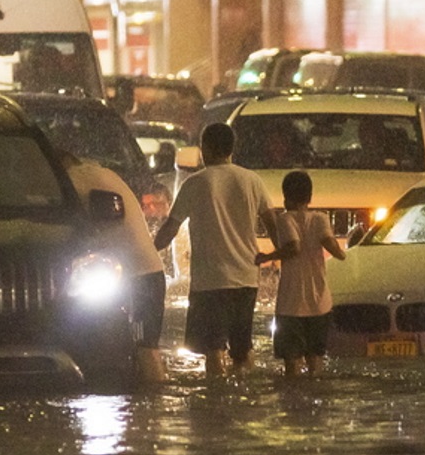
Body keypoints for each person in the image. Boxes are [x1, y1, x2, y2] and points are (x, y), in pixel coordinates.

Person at [153, 122, 277, 378]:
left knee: (213, 352)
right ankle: (244, 398)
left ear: (205, 148)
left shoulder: (196, 183)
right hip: (246, 279)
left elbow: (170, 229)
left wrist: (147, 251)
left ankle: (216, 402)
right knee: (243, 350)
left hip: (210, 283)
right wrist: (281, 255)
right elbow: (274, 226)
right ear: (232, 149)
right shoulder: (252, 180)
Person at [63, 152, 170, 384]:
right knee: (141, 348)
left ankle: (154, 400)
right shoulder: (102, 173)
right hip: (143, 274)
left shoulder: (72, 180)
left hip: (139, 277)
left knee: (145, 349)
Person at [255, 170, 346, 377]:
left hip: (291, 305)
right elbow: (334, 249)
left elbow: (293, 248)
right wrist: (344, 252)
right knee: (316, 361)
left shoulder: (285, 219)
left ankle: (294, 404)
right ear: (310, 197)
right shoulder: (321, 219)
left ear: (286, 198)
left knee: (291, 364)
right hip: (320, 303)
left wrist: (266, 257)